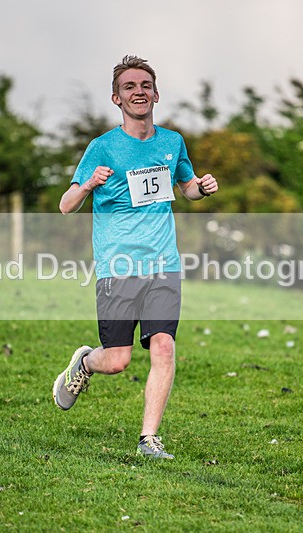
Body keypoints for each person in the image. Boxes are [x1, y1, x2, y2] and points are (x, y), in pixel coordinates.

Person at [52, 55, 218, 459]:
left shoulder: (171, 142)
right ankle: (86, 363)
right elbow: (66, 204)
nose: (138, 91)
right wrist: (90, 182)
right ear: (117, 98)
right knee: (118, 361)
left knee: (163, 347)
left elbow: (186, 188)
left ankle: (149, 440)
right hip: (118, 266)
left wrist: (202, 187)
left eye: (145, 85)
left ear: (156, 93)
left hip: (163, 262)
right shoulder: (102, 147)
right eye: (129, 86)